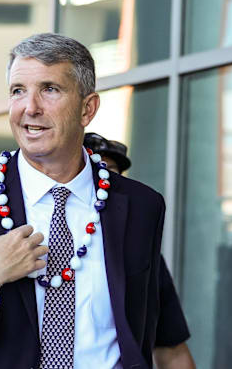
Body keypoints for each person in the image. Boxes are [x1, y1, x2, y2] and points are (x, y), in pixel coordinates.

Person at [0, 34, 195, 369]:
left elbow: (150, 335)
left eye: (50, 89)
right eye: (18, 91)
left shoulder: (141, 207)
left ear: (87, 109)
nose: (30, 108)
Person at [83, 132, 194, 367]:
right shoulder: (24, 239)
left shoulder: (140, 254)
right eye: (91, 168)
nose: (103, 179)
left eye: (111, 171)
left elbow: (172, 350)